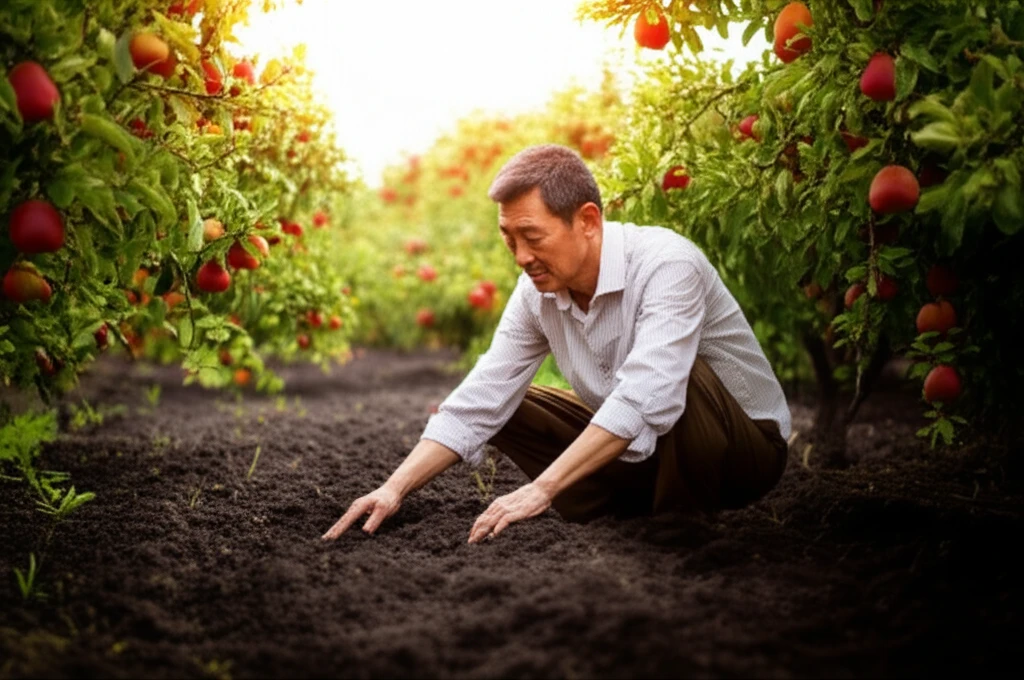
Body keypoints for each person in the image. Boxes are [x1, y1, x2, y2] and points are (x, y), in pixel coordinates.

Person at [322, 144, 791, 545]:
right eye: (510, 240)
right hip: (647, 455)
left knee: (672, 376)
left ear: (587, 220)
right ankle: (611, 512)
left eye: (533, 237)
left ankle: (678, 525)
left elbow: (646, 396)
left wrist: (540, 489)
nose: (522, 257)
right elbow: (480, 397)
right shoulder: (537, 294)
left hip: (742, 456)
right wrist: (394, 488)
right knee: (508, 402)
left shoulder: (667, 265)